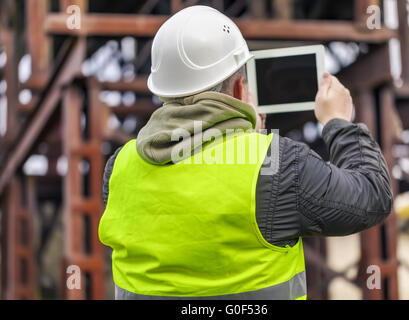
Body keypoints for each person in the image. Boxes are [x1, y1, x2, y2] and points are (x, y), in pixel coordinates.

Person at [98, 6, 393, 300]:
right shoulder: (277, 164)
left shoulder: (118, 169)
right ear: (240, 88)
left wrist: (249, 143)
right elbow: (372, 194)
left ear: (163, 91)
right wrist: (338, 121)